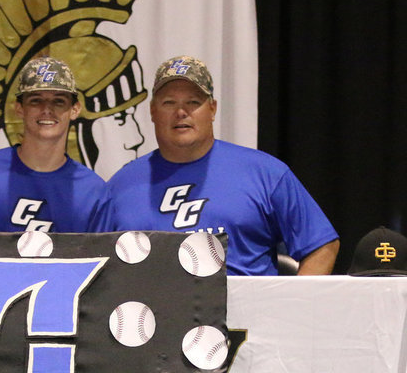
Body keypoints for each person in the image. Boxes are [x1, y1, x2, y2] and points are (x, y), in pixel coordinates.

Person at [91, 56, 339, 275]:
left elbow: (321, 245)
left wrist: (290, 312)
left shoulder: (265, 173)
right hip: (152, 322)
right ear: (153, 111)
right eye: (169, 102)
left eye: (193, 102)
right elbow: (95, 263)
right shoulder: (120, 186)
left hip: (243, 323)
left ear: (212, 109)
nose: (181, 112)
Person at [0, 56, 106, 233]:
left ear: (75, 110)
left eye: (59, 101)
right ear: (19, 108)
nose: (47, 110)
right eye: (36, 100)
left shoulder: (93, 191)